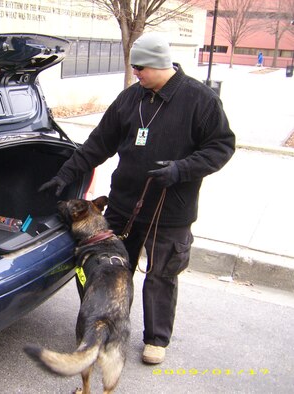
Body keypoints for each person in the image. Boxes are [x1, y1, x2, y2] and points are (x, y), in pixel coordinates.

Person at [39, 32, 235, 365]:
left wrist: (181, 169)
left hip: (170, 210)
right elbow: (98, 143)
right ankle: (104, 328)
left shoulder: (199, 100)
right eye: (135, 68)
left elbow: (221, 147)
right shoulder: (131, 99)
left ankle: (156, 339)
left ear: (160, 64)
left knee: (161, 275)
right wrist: (65, 174)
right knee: (106, 271)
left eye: (141, 67)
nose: (137, 73)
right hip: (124, 205)